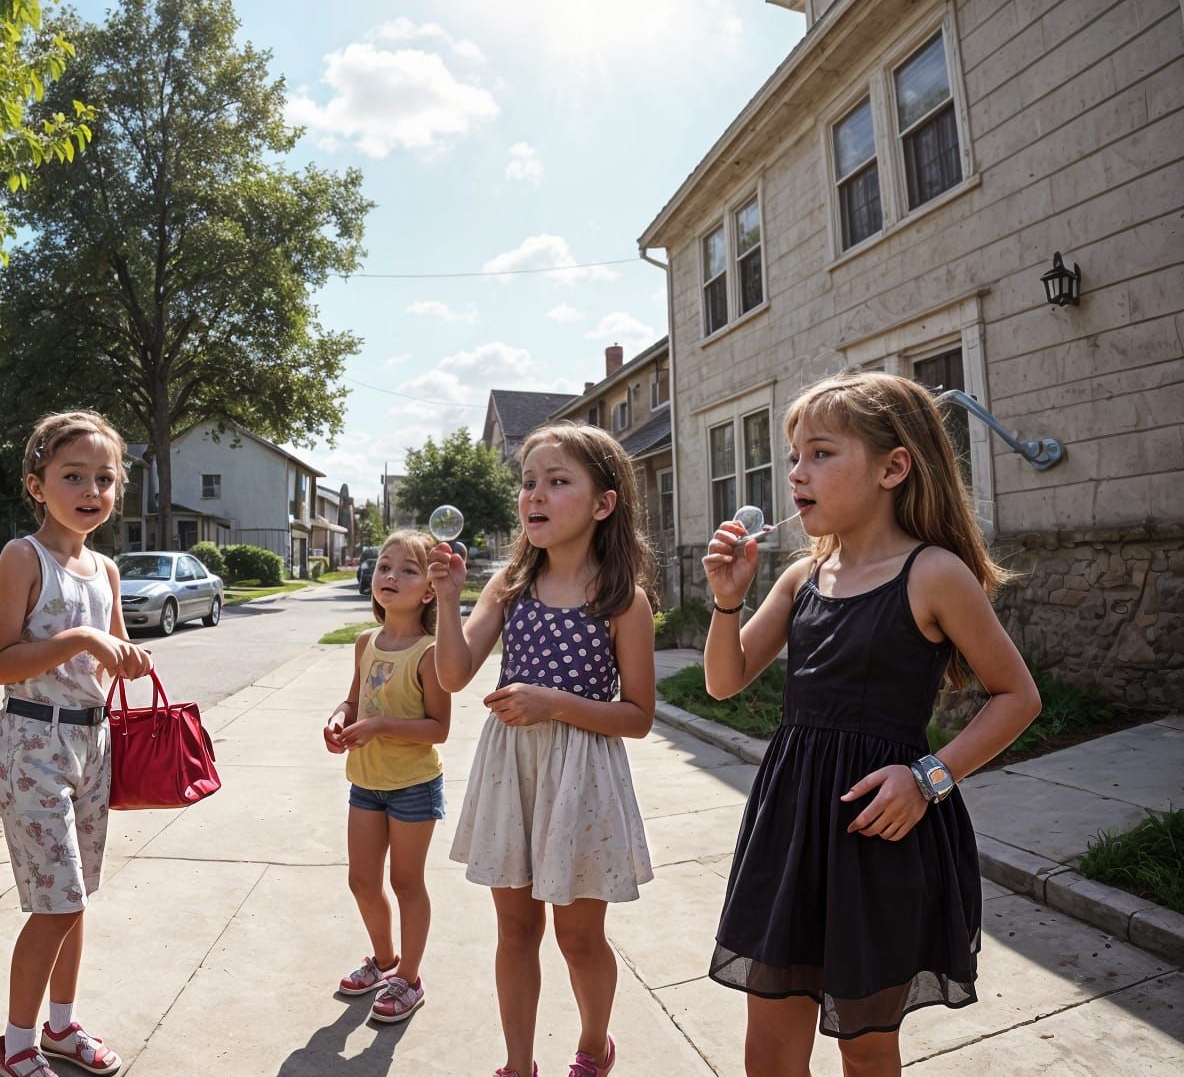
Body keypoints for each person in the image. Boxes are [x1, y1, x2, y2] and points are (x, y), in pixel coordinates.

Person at [701, 371, 1042, 1077]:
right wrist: (727, 601)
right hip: (789, 825)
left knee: (864, 1047)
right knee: (769, 1041)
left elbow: (1018, 697)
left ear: (893, 468)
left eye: (821, 453)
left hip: (879, 832)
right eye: (794, 456)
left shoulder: (933, 573)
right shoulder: (802, 577)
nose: (797, 473)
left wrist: (929, 778)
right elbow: (723, 681)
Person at [429, 423, 657, 1077]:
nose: (535, 494)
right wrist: (448, 598)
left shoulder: (623, 601)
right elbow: (453, 674)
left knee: (578, 938)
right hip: (513, 773)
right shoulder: (508, 586)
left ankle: (593, 1045)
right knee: (516, 931)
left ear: (603, 504)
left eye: (558, 482)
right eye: (529, 482)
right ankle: (518, 1063)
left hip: (581, 778)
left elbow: (638, 716)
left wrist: (553, 704)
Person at [0, 412, 152, 1077]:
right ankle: (16, 1045)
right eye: (73, 476)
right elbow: (0, 663)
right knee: (58, 904)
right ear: (37, 484)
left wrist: (127, 658)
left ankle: (59, 1027)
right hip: (34, 742)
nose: (91, 490)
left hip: (93, 742)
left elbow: (111, 655)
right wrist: (83, 639)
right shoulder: (23, 557)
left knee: (75, 900)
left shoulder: (106, 569)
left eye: (105, 478)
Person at [323, 529, 451, 1025]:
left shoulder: (430, 652)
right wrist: (339, 718)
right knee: (361, 880)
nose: (391, 576)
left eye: (408, 570)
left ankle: (410, 979)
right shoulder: (365, 642)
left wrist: (379, 725)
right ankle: (383, 961)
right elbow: (353, 699)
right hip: (366, 781)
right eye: (384, 566)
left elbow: (438, 729)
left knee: (406, 882)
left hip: (414, 785)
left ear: (429, 591)